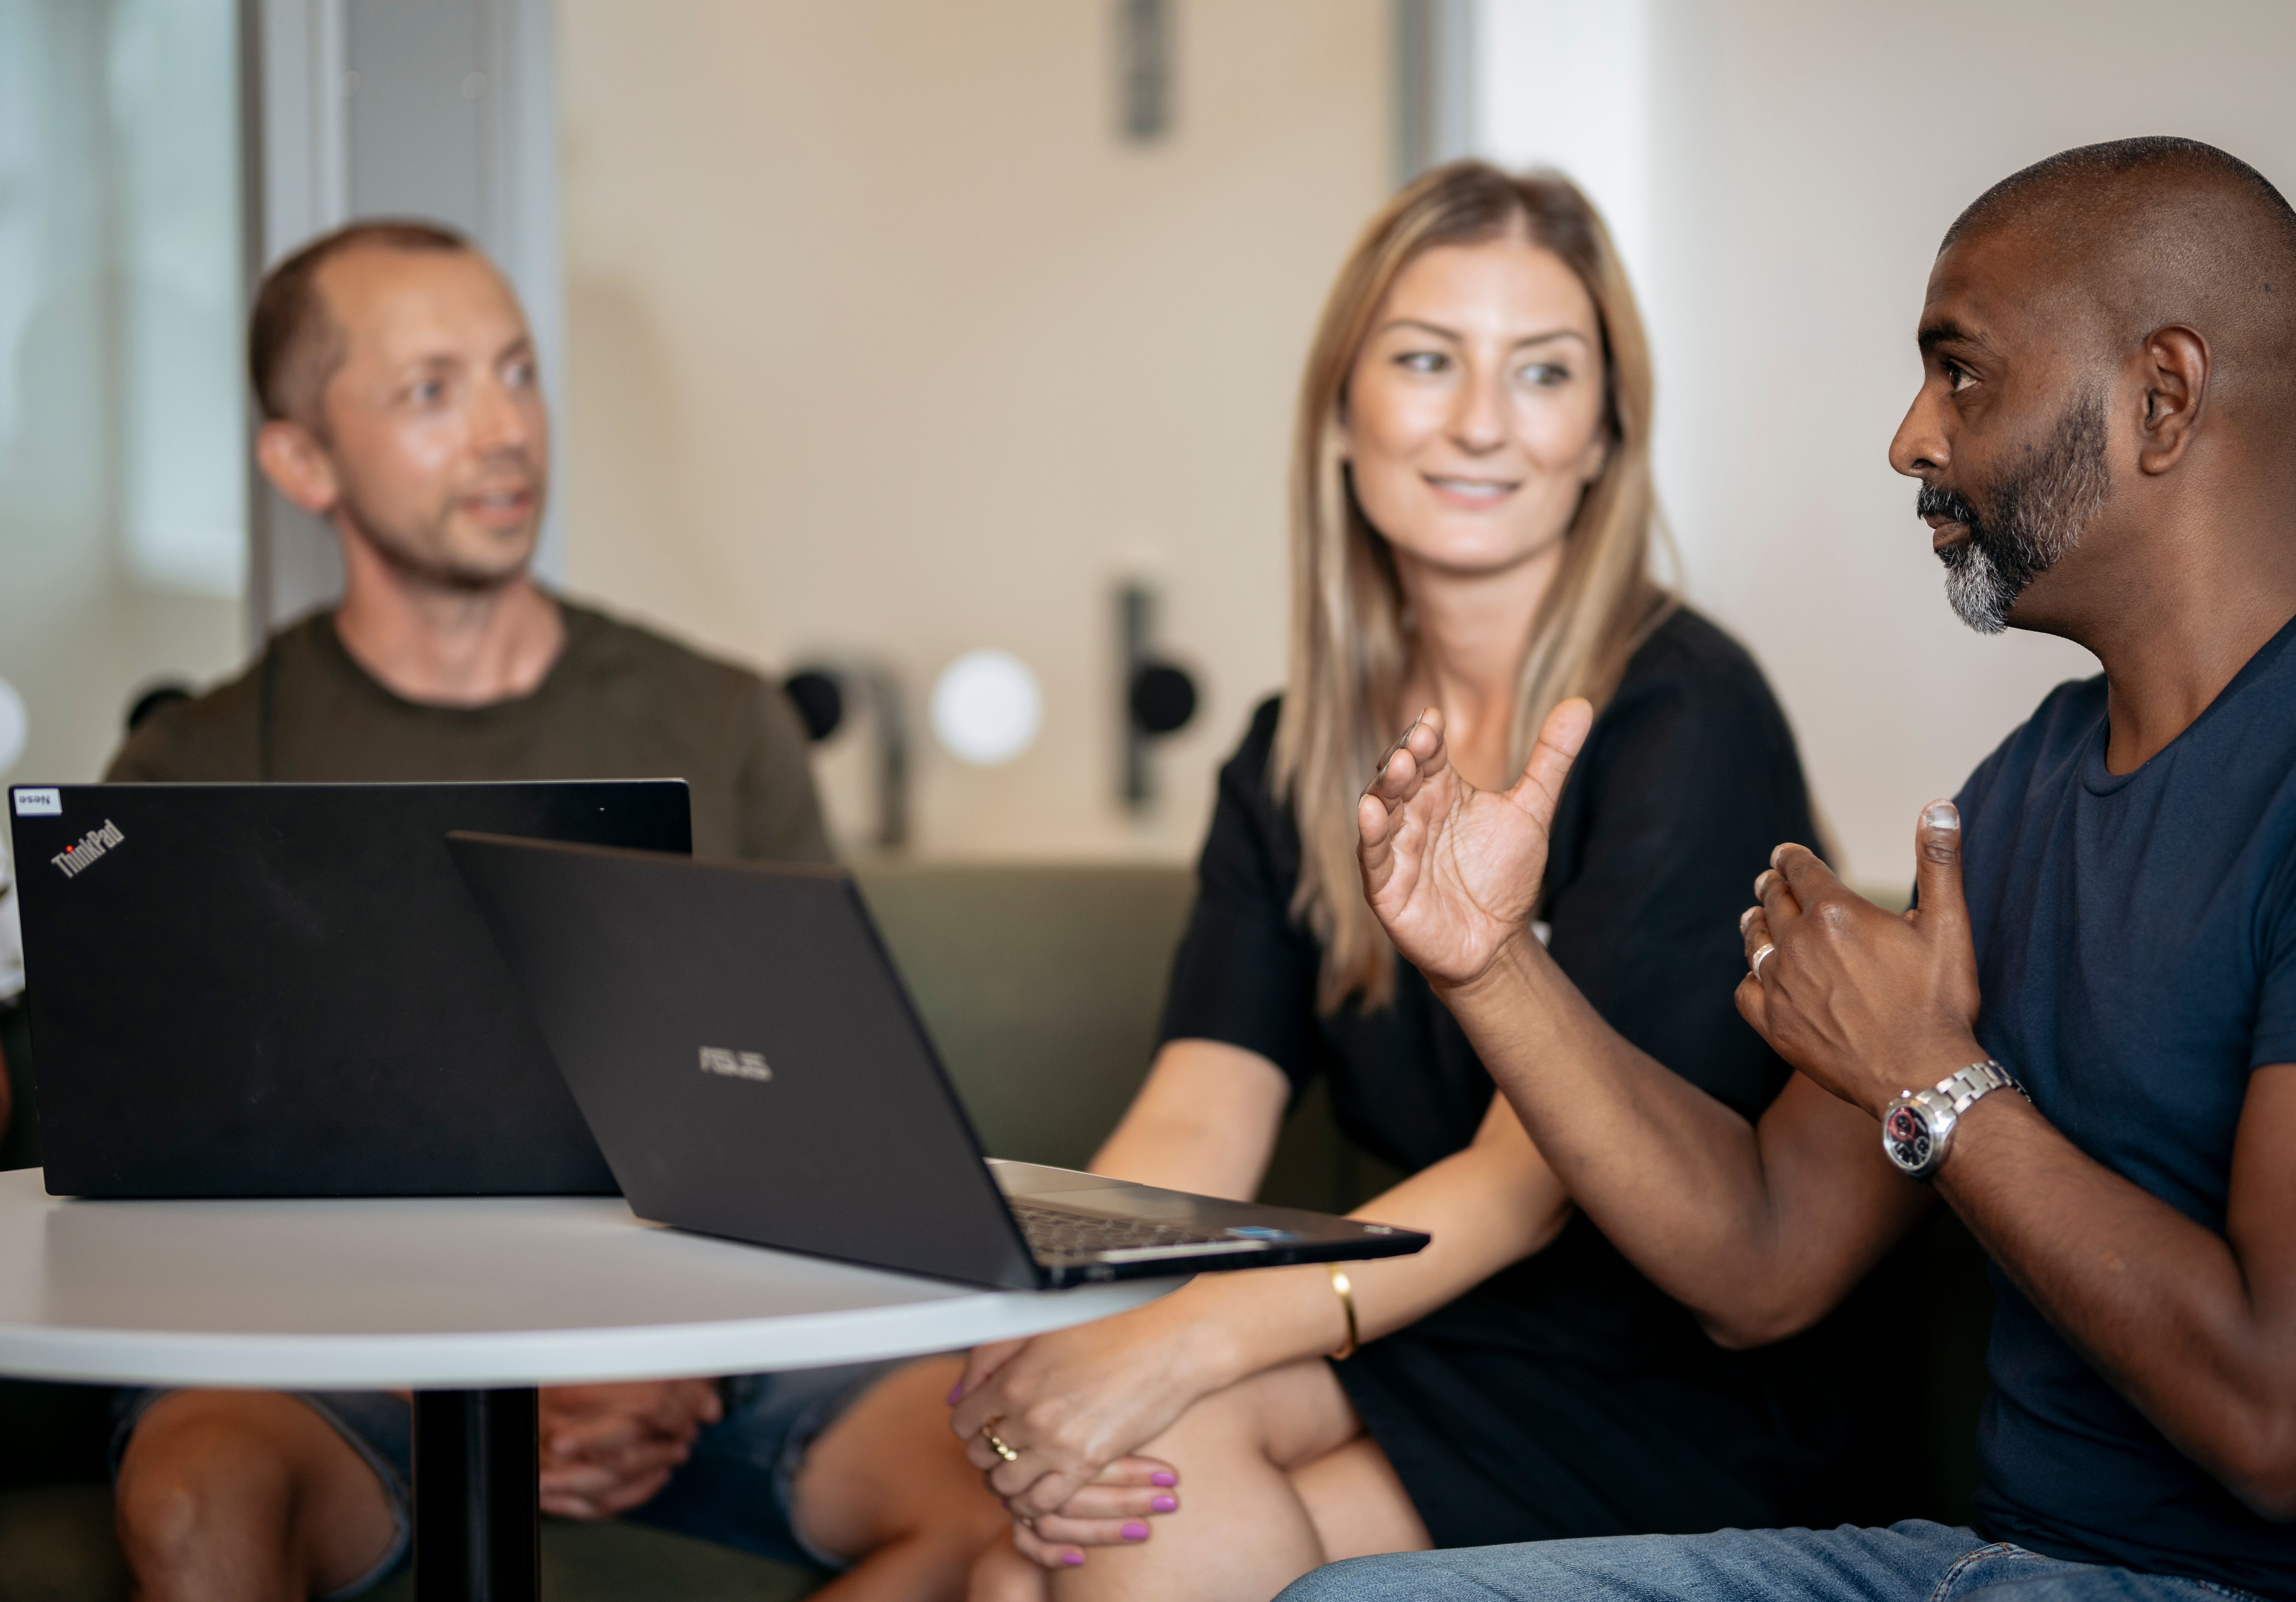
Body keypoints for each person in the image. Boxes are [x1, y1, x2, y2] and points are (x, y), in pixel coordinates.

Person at [1319, 138, 2296, 1602]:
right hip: (1980, 1566)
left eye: (1959, 372)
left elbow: (2284, 1421)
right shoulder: (2027, 784)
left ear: (2160, 398)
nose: (1911, 437)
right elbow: (1762, 1263)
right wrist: (1489, 961)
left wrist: (1931, 1082)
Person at [939, 162, 1841, 1602]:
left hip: (1643, 1380)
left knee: (1122, 1504)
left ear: (1604, 434)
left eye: (1540, 374)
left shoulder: (1683, 709)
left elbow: (1526, 1182)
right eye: (1426, 361)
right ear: (1341, 411)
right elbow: (1198, 1107)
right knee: (1053, 1533)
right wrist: (1066, 1313)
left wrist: (1177, 1342)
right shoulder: (1291, 754)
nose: (1478, 422)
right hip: (1433, 1330)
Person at [105, 221, 1002, 1602]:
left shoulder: (720, 718)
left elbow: (823, 1123)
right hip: (351, 1373)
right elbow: (162, 1196)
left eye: (517, 375)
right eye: (431, 390)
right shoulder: (195, 773)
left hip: (701, 1357)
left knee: (1024, 1491)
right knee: (190, 1497)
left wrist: (668, 1357)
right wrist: (470, 1390)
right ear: (300, 461)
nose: (502, 429)